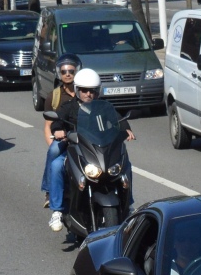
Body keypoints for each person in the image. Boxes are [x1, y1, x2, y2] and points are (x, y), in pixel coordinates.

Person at [46, 68, 135, 232]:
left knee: (124, 164)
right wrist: (58, 130)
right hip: (74, 148)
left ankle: (129, 204)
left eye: (92, 91)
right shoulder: (69, 107)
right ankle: (57, 211)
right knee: (57, 165)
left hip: (97, 149)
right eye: (84, 90)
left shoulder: (103, 108)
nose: (88, 94)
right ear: (77, 90)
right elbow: (57, 121)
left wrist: (126, 128)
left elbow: (117, 118)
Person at [40, 53, 80, 207]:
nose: (68, 74)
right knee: (53, 152)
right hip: (63, 137)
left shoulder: (85, 92)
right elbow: (48, 125)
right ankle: (49, 191)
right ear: (59, 73)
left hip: (84, 136)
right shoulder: (54, 96)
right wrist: (53, 140)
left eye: (71, 71)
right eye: (64, 72)